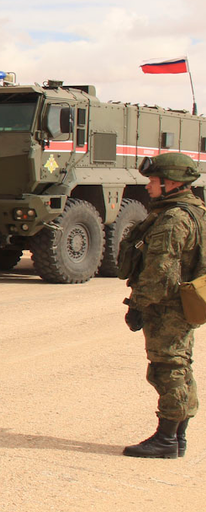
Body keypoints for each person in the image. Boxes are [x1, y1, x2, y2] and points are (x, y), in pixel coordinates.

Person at [118, 153, 205, 459]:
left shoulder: (173, 219)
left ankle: (167, 439)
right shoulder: (194, 211)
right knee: (179, 365)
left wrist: (138, 304)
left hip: (168, 307)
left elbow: (160, 271)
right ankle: (177, 436)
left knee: (168, 367)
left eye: (154, 181)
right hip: (182, 304)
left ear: (172, 184)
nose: (150, 187)